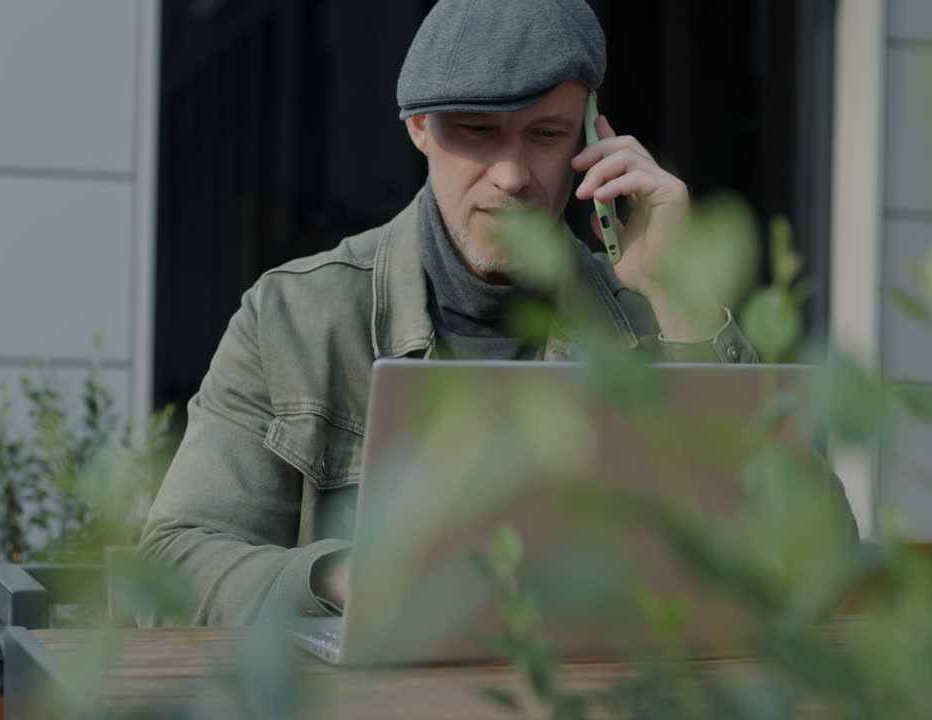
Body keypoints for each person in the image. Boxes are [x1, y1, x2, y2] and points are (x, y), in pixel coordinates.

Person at [139, 0, 854, 626]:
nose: (512, 176)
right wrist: (344, 578)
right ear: (419, 128)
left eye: (545, 135)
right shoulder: (296, 316)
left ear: (590, 137)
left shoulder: (650, 318)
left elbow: (821, 568)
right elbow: (170, 567)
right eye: (478, 133)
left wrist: (687, 309)